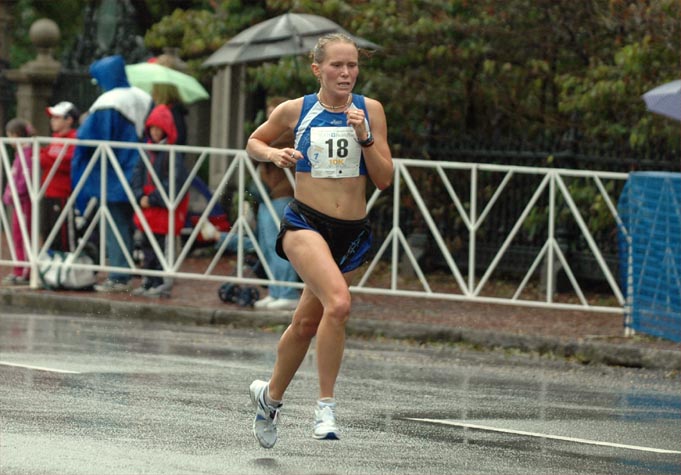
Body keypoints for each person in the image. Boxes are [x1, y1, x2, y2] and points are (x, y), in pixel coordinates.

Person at [245, 33, 393, 448]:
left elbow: (383, 179)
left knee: (308, 322)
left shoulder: (371, 110)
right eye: (337, 66)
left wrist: (364, 138)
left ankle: (269, 398)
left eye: (352, 66)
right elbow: (254, 141)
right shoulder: (297, 110)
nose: (346, 73)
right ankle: (325, 406)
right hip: (305, 224)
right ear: (318, 69)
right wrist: (276, 155)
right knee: (340, 303)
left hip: (351, 233)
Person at [71, 55, 153, 293]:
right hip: (143, 170)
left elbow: (88, 138)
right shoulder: (143, 97)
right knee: (135, 223)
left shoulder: (109, 101)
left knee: (115, 223)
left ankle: (119, 274)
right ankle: (146, 271)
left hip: (116, 172)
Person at [131, 104, 188, 298]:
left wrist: (152, 198)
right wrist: (139, 195)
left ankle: (161, 282)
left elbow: (173, 182)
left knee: (162, 246)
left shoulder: (171, 153)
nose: (155, 133)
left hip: (161, 208)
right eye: (152, 129)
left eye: (158, 129)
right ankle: (148, 280)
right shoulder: (147, 150)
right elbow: (137, 174)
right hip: (149, 206)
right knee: (146, 245)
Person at [252, 96, 300, 310]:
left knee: (280, 246)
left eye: (276, 112)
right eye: (269, 111)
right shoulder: (273, 132)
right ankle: (275, 290)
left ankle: (287, 291)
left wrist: (260, 140)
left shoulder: (289, 132)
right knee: (266, 245)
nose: (271, 116)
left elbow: (260, 142)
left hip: (282, 193)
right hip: (266, 194)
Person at [40, 101, 80, 253]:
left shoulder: (74, 138)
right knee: (48, 230)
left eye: (57, 118)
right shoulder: (55, 138)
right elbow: (44, 158)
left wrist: (48, 157)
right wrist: (48, 157)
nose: (52, 121)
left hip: (63, 193)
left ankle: (67, 265)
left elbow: (65, 162)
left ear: (69, 120)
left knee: (63, 234)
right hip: (48, 191)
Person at [2, 118, 35, 285]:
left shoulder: (27, 154)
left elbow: (24, 180)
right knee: (17, 235)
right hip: (18, 201)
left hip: (23, 201)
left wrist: (15, 194)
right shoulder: (20, 154)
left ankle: (25, 270)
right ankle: (19, 268)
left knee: (23, 235)